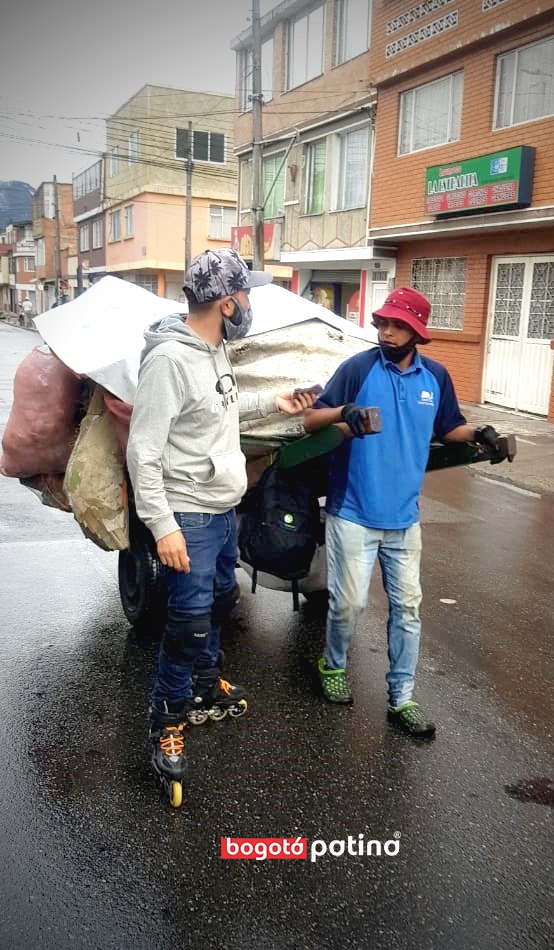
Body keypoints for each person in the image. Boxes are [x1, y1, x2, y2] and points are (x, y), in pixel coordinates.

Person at [126, 247, 316, 801]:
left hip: (221, 508)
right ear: (227, 301)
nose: (251, 303)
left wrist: (274, 403)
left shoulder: (215, 352)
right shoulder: (170, 360)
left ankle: (206, 685)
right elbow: (144, 452)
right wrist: (163, 527)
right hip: (188, 511)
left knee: (217, 602)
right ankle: (166, 727)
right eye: (248, 294)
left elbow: (217, 414)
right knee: (186, 623)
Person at [303, 286, 510, 739]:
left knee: (409, 609)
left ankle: (402, 697)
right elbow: (310, 420)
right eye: (383, 323)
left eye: (398, 325)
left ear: (416, 330)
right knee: (349, 604)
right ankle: (332, 663)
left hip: (403, 518)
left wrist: (484, 433)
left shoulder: (434, 377)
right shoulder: (357, 369)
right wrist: (346, 410)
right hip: (353, 511)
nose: (388, 331)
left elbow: (450, 426)